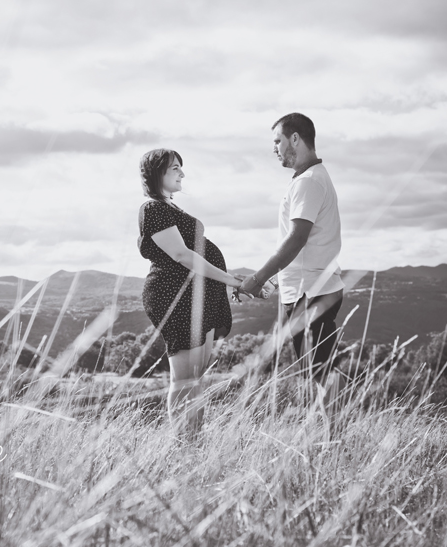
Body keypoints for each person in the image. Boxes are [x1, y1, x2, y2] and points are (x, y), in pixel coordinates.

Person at [236, 113, 345, 407]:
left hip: (309, 291)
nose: (275, 148)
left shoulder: (309, 182)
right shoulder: (310, 178)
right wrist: (274, 280)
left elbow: (297, 238)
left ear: (294, 138)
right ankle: (328, 437)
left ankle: (329, 441)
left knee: (319, 373)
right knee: (319, 371)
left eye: (277, 141)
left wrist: (257, 279)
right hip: (310, 287)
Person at [137, 148, 242, 438]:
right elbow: (182, 255)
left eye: (181, 167)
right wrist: (231, 280)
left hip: (197, 297)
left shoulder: (171, 208)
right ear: (157, 172)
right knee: (184, 380)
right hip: (175, 296)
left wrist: (226, 281)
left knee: (196, 377)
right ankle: (184, 447)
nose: (182, 173)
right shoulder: (153, 209)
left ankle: (195, 442)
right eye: (175, 168)